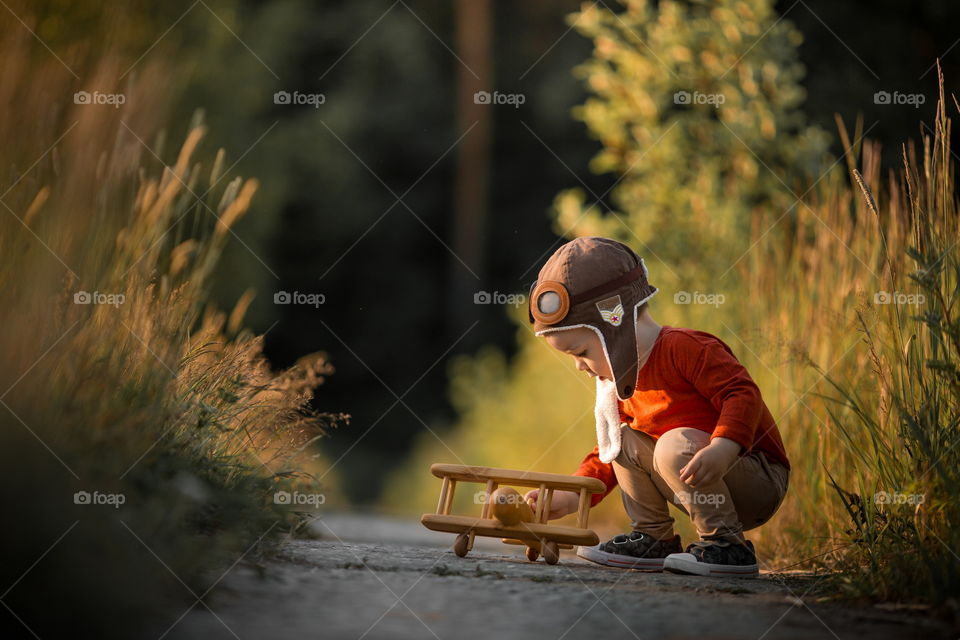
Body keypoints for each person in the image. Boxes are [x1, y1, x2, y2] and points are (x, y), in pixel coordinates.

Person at [524, 237, 790, 577]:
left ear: (612, 326)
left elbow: (743, 394)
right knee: (621, 439)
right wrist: (573, 495)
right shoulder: (620, 383)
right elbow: (606, 452)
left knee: (672, 445)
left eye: (582, 353)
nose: (579, 366)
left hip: (755, 478)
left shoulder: (686, 347)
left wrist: (724, 446)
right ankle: (654, 539)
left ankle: (728, 547)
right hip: (695, 476)